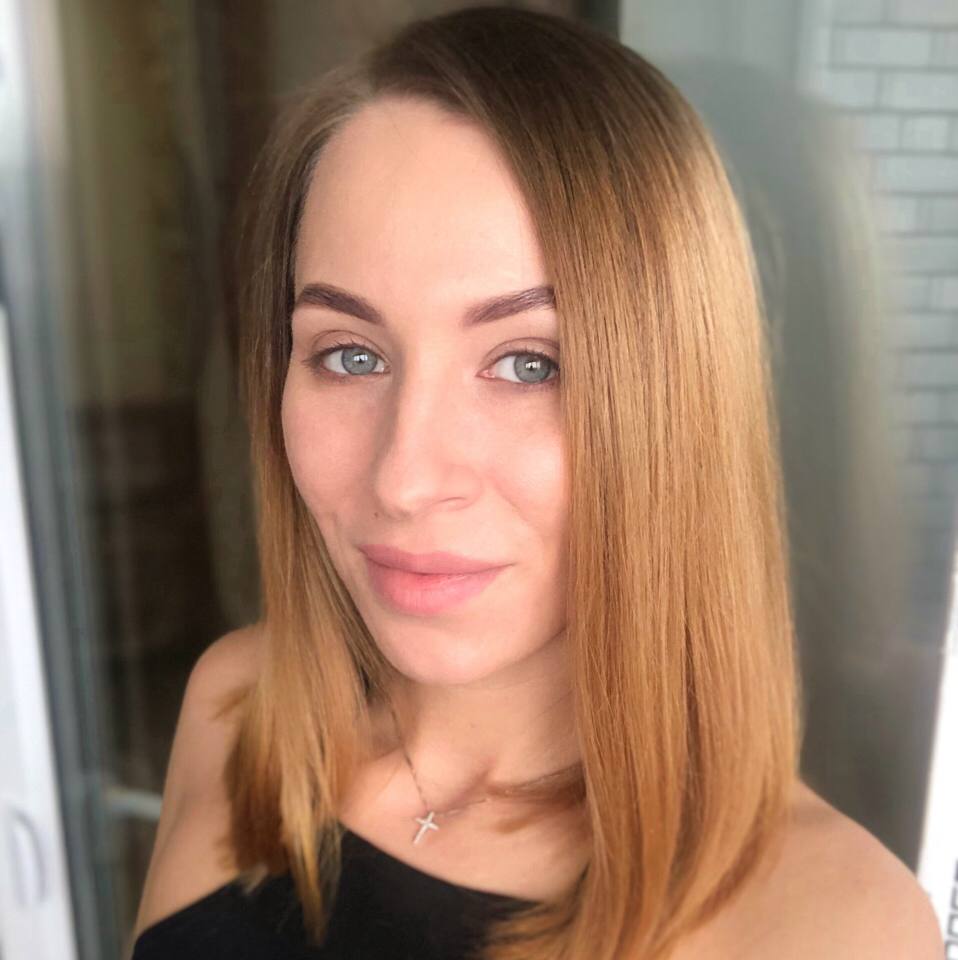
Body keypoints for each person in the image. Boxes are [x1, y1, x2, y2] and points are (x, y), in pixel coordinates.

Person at [129, 7, 943, 959]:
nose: (405, 479)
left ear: (676, 410)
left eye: (529, 364)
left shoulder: (830, 925)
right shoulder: (238, 710)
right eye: (350, 355)